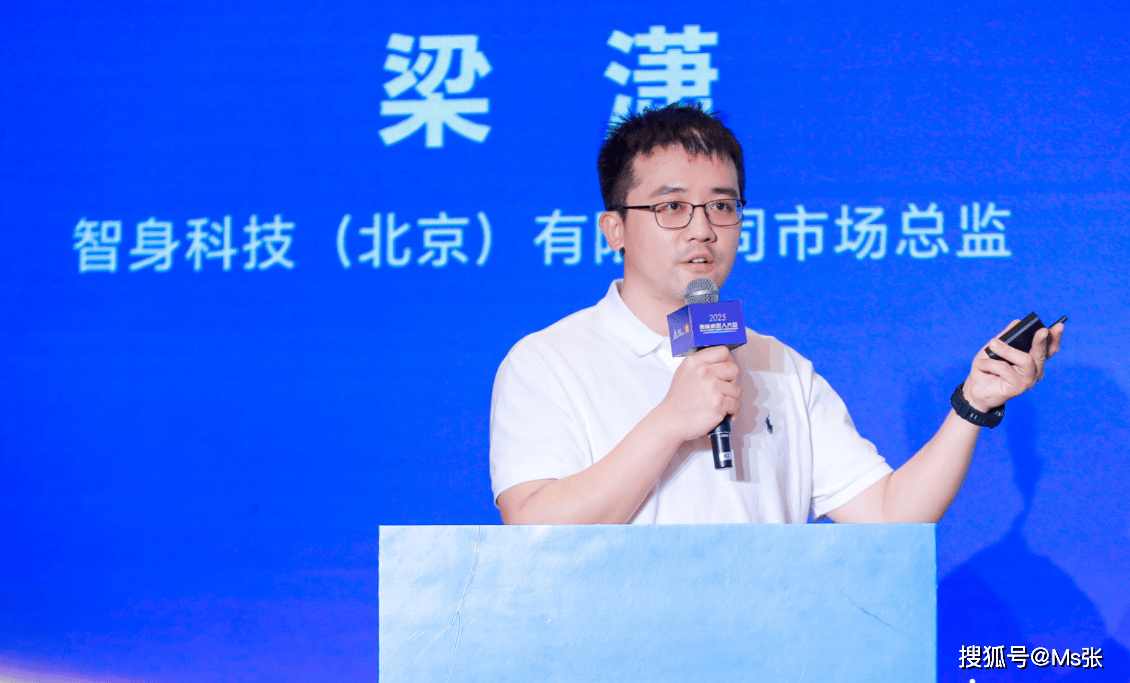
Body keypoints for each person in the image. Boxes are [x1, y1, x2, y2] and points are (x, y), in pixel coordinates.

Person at [489, 102, 1063, 525]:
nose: (702, 228)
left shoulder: (777, 365)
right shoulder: (549, 361)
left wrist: (973, 404)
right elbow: (533, 527)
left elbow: (890, 514)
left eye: (722, 205)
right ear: (614, 228)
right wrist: (669, 421)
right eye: (672, 206)